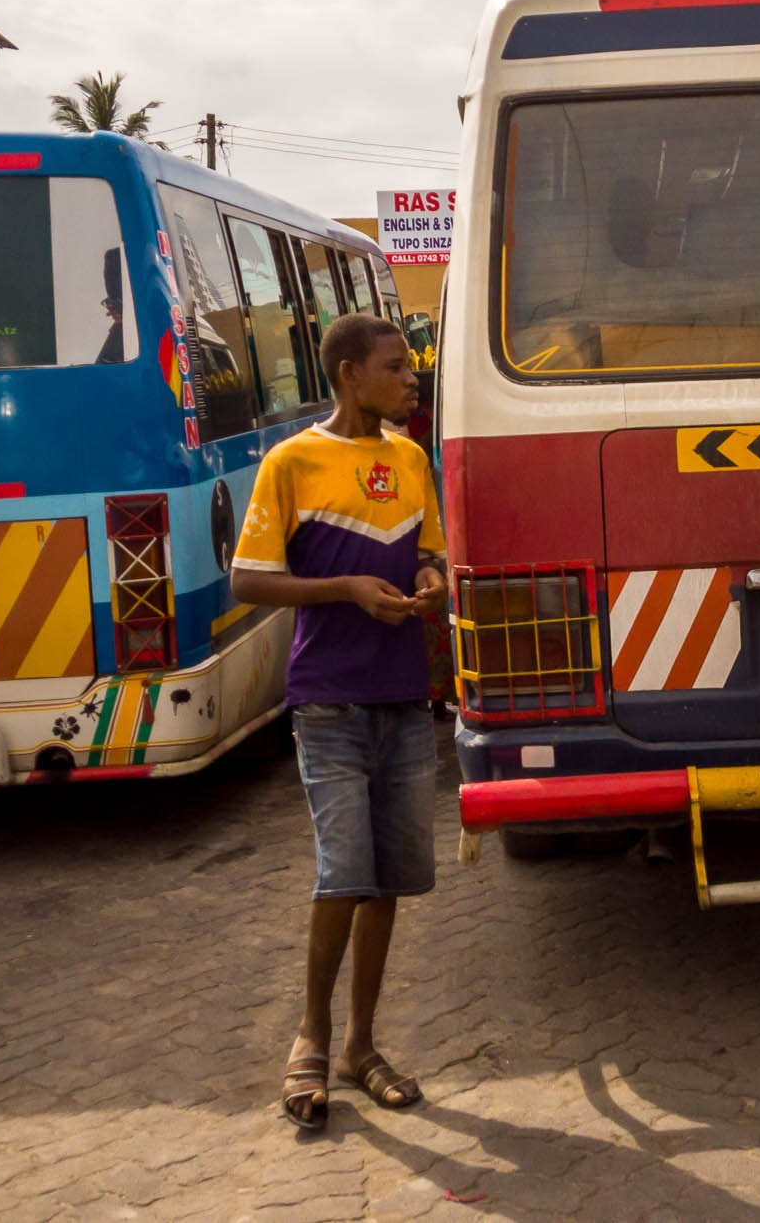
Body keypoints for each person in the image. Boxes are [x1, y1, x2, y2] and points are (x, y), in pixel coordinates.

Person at [231, 312, 447, 1132]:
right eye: (397, 367)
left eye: (413, 367)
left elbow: (430, 551)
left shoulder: (410, 457)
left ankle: (361, 1045)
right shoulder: (293, 462)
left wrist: (430, 582)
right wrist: (347, 587)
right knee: (344, 873)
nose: (412, 378)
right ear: (350, 373)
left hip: (402, 696)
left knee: (388, 879)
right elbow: (250, 580)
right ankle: (310, 1038)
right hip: (327, 700)